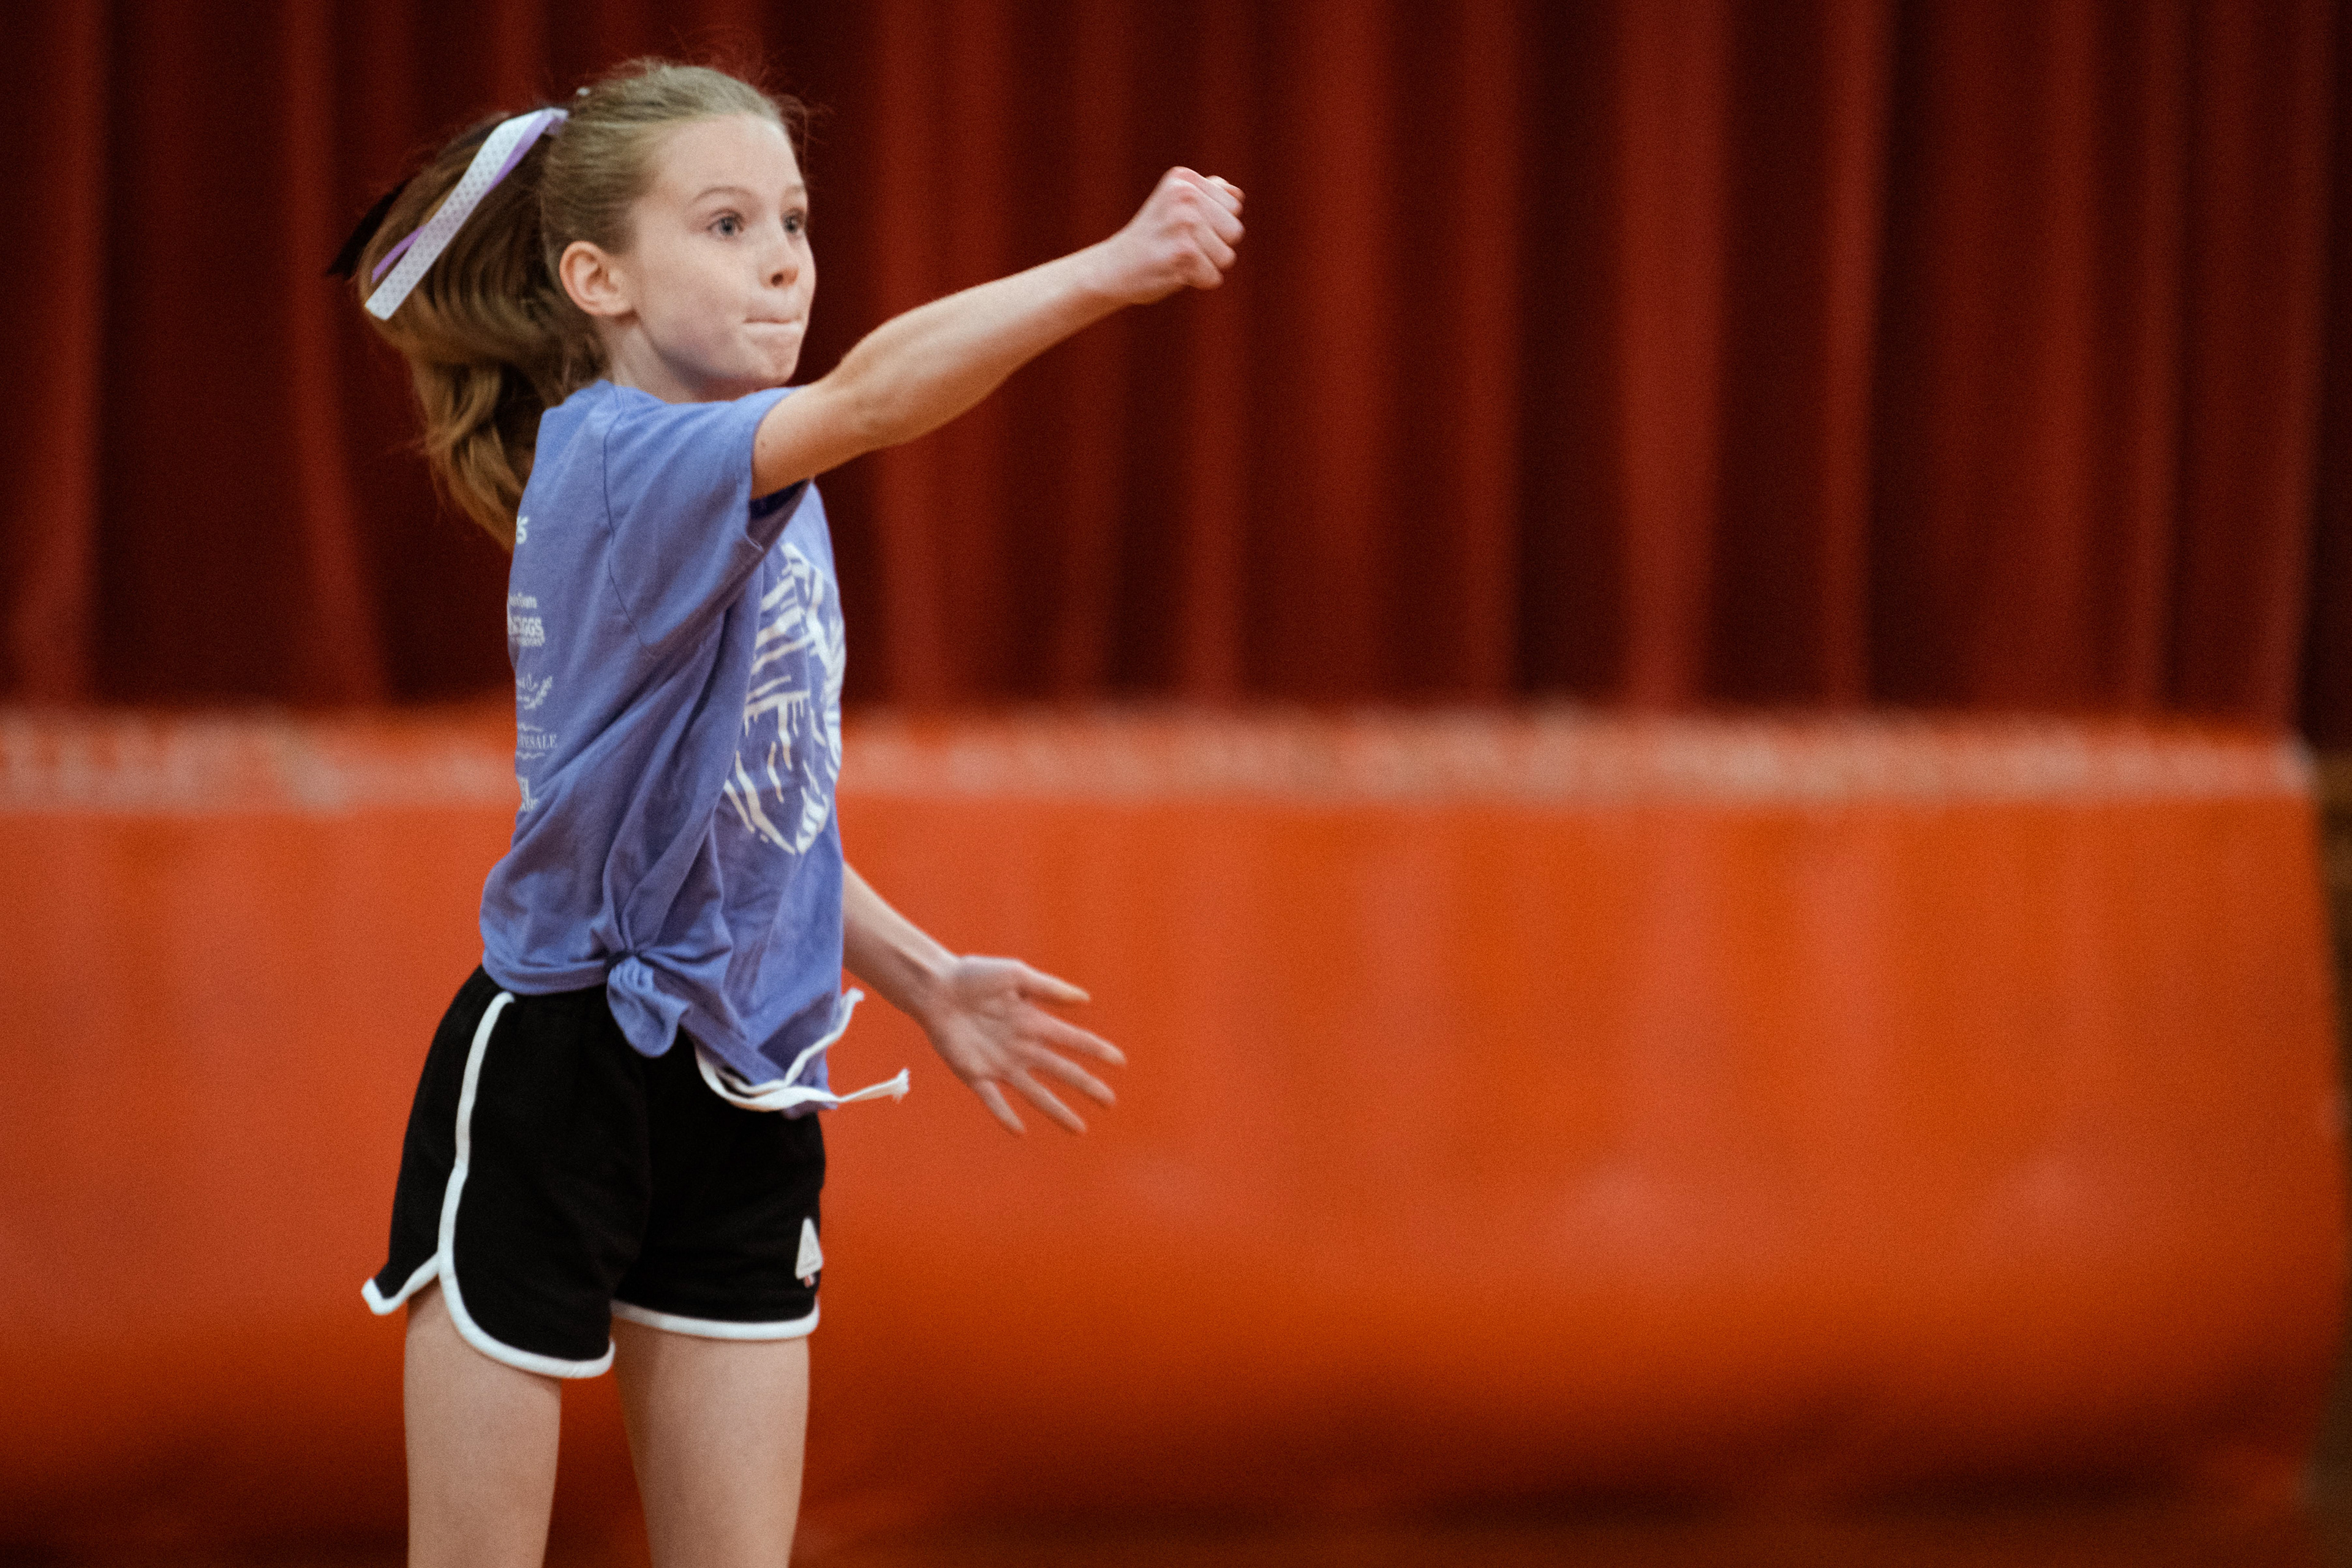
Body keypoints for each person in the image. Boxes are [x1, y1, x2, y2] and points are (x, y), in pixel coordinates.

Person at [336, 57, 1243, 1568]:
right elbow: (877, 399)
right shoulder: (623, 456)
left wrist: (920, 974)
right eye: (727, 223)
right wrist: (1112, 267)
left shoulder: (763, 483)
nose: (783, 261)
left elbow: (760, 809)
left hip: (743, 1075)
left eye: (796, 221)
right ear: (599, 279)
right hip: (563, 1063)